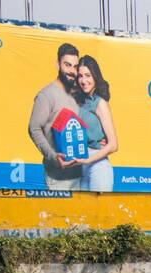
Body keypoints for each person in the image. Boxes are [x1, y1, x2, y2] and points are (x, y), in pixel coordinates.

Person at [26, 42, 83, 191]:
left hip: (82, 175)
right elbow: (34, 128)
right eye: (67, 65)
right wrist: (52, 157)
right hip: (58, 178)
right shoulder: (46, 95)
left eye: (75, 66)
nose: (72, 71)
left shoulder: (79, 94)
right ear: (57, 64)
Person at [73, 55, 117, 192]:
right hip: (81, 168)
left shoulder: (100, 103)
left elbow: (113, 145)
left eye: (88, 75)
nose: (84, 80)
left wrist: (88, 159)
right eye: (80, 76)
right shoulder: (80, 103)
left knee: (100, 212)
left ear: (95, 77)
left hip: (98, 167)